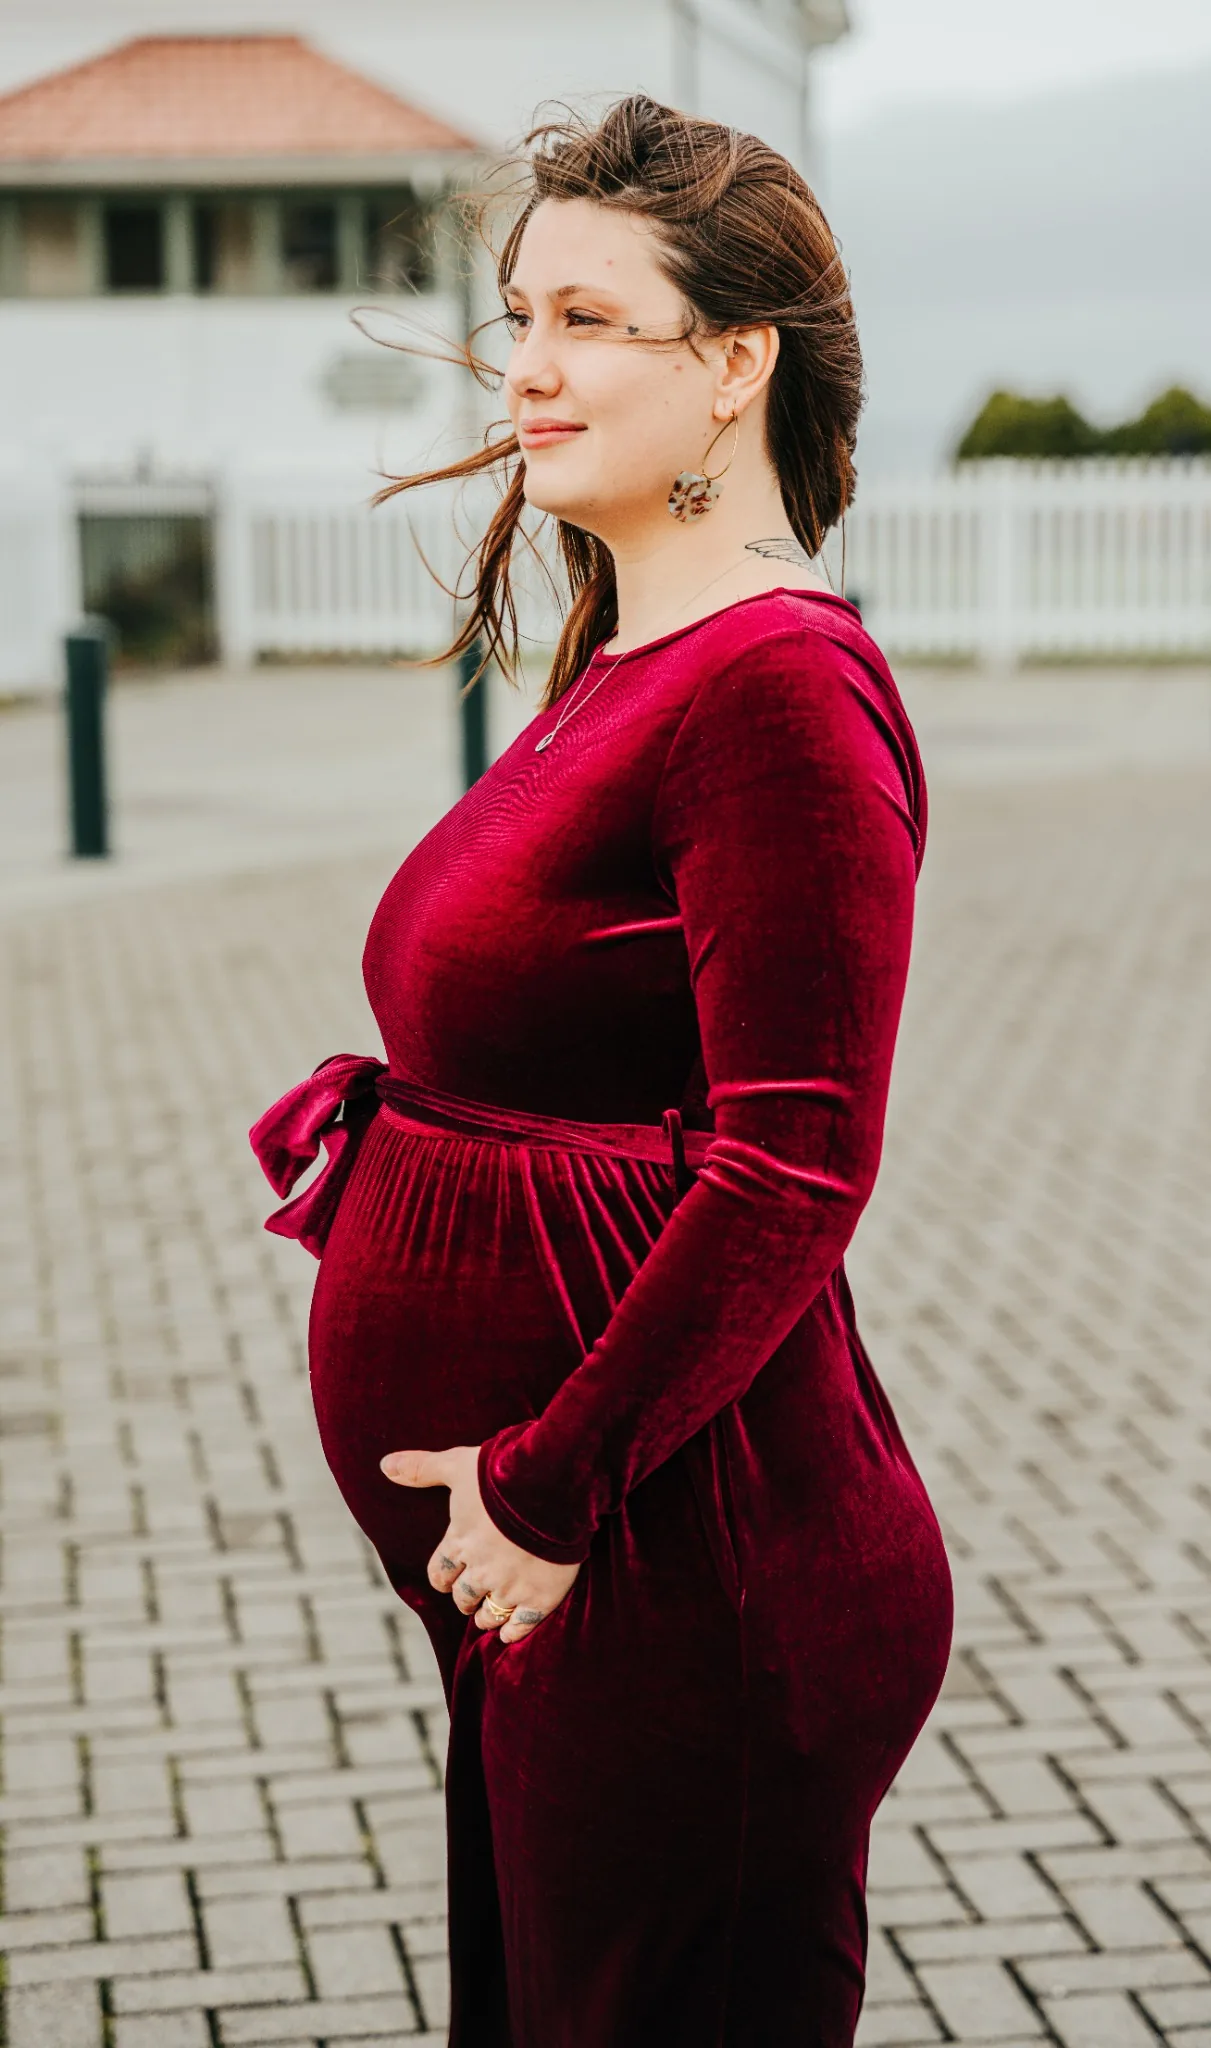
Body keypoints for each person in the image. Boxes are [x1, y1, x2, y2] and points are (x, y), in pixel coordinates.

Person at [250, 95, 953, 2048]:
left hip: (684, 1582)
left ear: (734, 363)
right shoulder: (633, 657)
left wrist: (547, 1492)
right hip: (580, 1599)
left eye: (585, 320)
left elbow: (794, 1165)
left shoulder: (778, 692)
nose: (526, 371)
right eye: (516, 317)